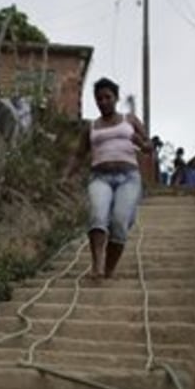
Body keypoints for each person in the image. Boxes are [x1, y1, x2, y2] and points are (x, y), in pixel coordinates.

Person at [62, 76, 151, 280]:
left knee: (119, 223)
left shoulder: (130, 120)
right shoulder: (91, 127)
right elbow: (78, 154)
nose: (103, 102)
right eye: (99, 99)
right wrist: (66, 175)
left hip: (129, 178)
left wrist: (141, 143)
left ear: (116, 98)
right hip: (99, 178)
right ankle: (97, 266)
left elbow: (149, 147)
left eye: (107, 97)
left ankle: (109, 270)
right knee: (97, 217)